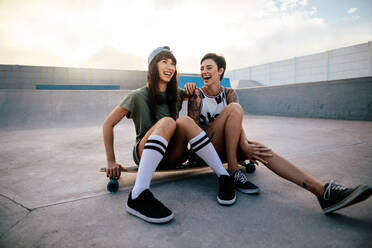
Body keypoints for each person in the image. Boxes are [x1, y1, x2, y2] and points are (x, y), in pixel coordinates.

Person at [185, 52, 372, 214]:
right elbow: (192, 133)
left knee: (261, 150)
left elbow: (236, 122)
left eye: (209, 68)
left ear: (220, 71)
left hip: (228, 148)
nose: (204, 72)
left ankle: (323, 192)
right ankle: (233, 170)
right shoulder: (198, 95)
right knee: (234, 110)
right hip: (207, 148)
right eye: (201, 68)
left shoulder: (229, 93)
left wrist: (245, 145)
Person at [102, 47, 236, 224]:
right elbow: (108, 124)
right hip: (145, 152)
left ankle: (224, 177)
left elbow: (203, 94)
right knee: (168, 122)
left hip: (173, 155)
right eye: (164, 61)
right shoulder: (136, 96)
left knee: (185, 121)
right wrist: (111, 160)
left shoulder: (177, 94)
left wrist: (192, 88)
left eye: (172, 63)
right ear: (152, 66)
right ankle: (138, 194)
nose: (170, 66)